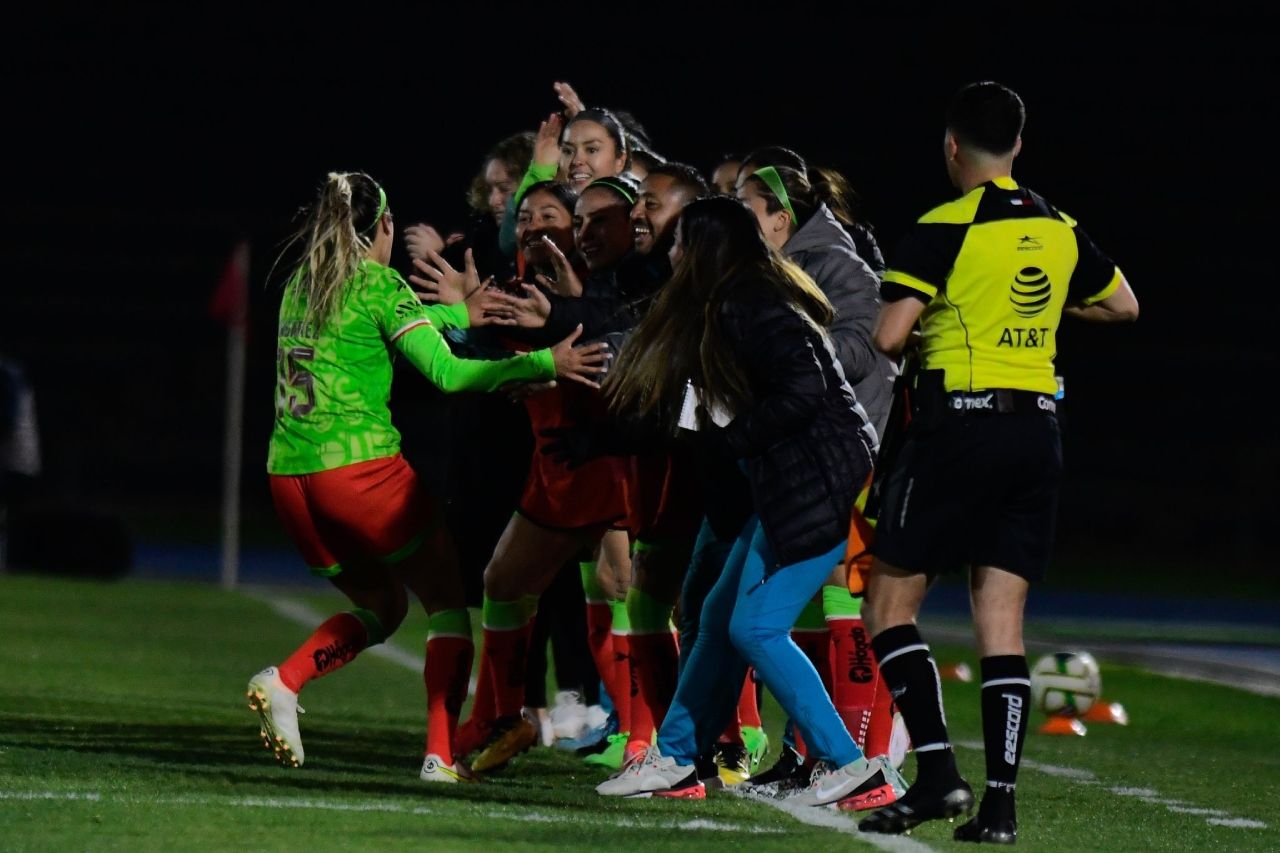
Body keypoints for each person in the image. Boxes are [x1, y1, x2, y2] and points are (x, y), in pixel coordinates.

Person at [245, 171, 607, 783]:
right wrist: (547, 360)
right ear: (383, 227)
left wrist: (451, 312)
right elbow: (448, 375)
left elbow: (367, 333)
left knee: (382, 606)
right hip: (360, 473)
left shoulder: (303, 285)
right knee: (445, 605)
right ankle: (440, 756)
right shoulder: (378, 284)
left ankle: (287, 680)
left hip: (290, 480)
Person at [855, 83, 1139, 843]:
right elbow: (1124, 307)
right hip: (1038, 432)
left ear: (952, 147)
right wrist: (1042, 316)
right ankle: (1001, 809)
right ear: (1018, 145)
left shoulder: (942, 226)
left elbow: (888, 336)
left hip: (959, 430)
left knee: (888, 608)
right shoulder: (1061, 227)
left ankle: (940, 774)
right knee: (1002, 622)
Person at [589, 196, 893, 807]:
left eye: (680, 242)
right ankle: (677, 758)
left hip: (816, 486)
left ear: (705, 248)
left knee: (754, 626)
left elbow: (803, 392)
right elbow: (695, 418)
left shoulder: (752, 304)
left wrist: (734, 443)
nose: (671, 254)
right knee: (720, 619)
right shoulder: (731, 305)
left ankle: (853, 766)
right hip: (792, 486)